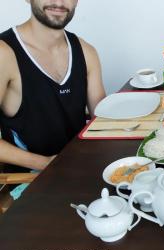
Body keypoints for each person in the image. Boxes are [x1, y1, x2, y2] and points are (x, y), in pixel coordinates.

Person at [0, 0, 105, 175]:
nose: (58, 2)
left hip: (81, 170)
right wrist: (47, 163)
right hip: (31, 181)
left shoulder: (87, 52)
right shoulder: (4, 53)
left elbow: (102, 121)